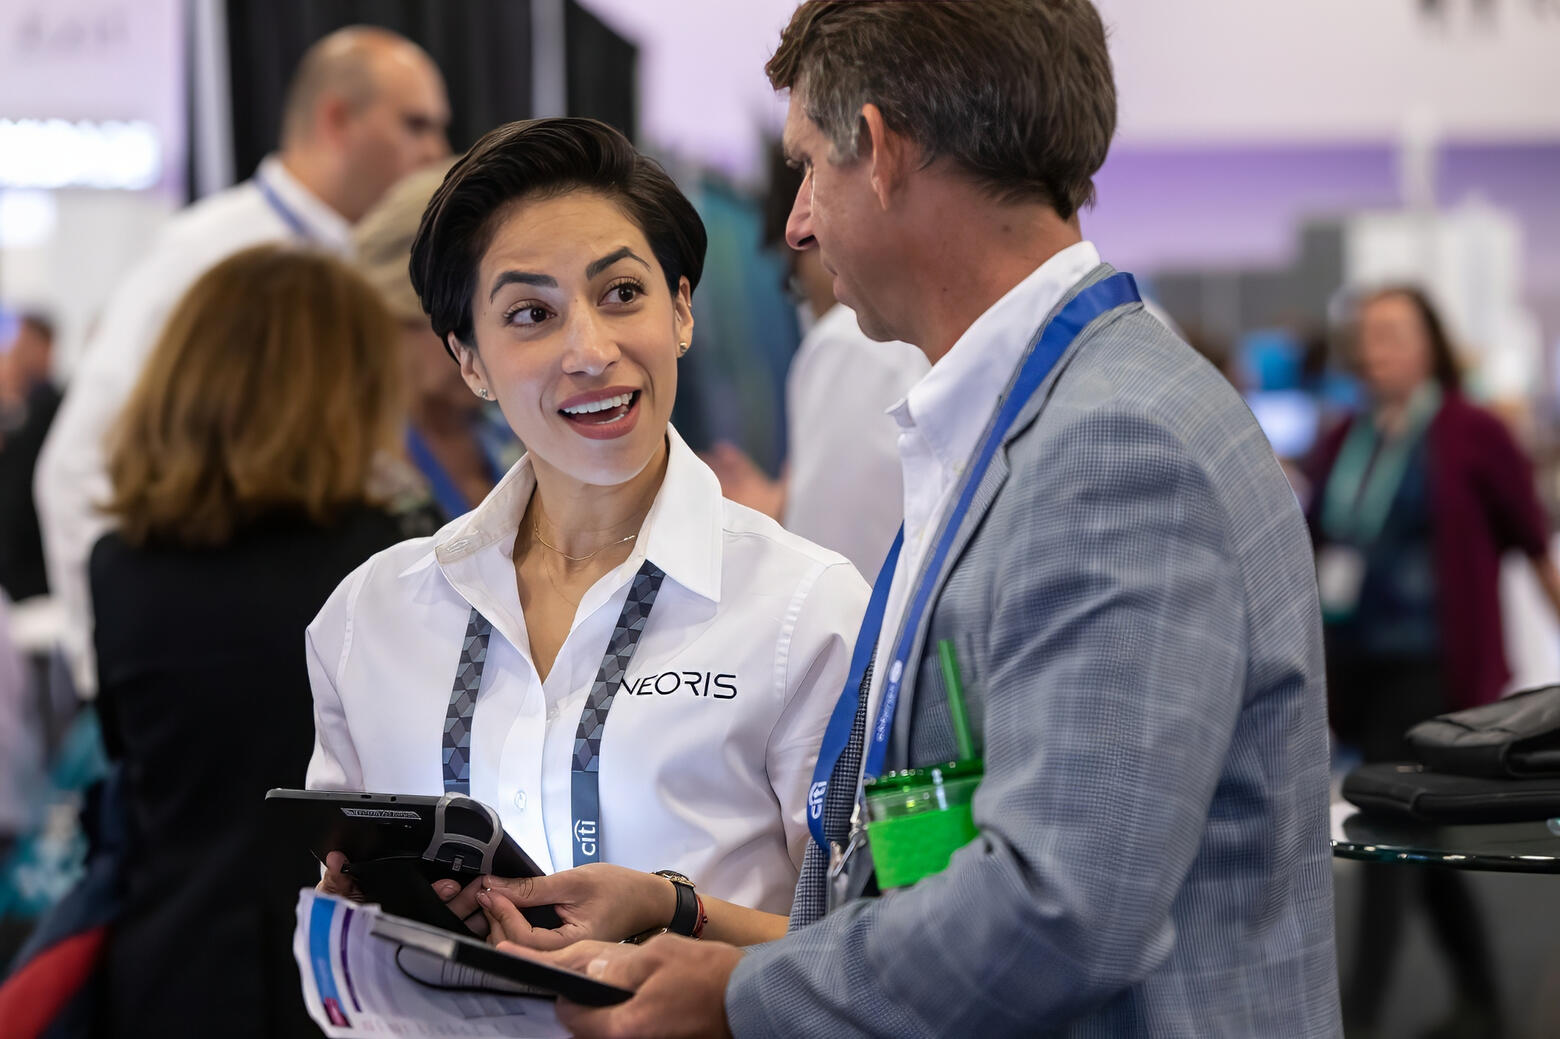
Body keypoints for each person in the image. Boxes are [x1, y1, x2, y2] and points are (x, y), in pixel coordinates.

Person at [483, 4, 1340, 1036]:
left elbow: (1058, 909)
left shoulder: (1112, 448)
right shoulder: (1043, 413)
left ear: (881, 152)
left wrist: (733, 998)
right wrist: (686, 915)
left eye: (810, 168)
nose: (798, 224)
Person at [305, 118, 869, 942]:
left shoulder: (805, 611)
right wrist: (364, 911)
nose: (590, 350)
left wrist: (680, 912)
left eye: (622, 294)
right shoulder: (372, 616)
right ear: (470, 360)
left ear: (682, 310)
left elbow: (869, 952)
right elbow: (334, 930)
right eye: (531, 313)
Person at [34, 25, 450, 695]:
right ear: (337, 119)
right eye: (416, 125)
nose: (436, 151)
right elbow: (78, 465)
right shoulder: (204, 253)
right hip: (223, 668)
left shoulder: (373, 262)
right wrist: (115, 671)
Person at [88, 245, 412, 1039]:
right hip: (340, 975)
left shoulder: (120, 565)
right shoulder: (384, 562)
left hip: (169, 962)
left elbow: (131, 754)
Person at [1307, 285, 1557, 1036]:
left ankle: (1355, 1018)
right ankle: (1484, 1000)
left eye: (1392, 332)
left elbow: (1533, 543)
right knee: (1423, 837)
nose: (1374, 346)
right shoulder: (1344, 436)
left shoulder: (1471, 431)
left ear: (1429, 345)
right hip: (1358, 666)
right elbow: (1319, 542)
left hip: (1435, 668)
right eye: (1366, 332)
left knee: (1387, 830)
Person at [702, 147, 927, 578]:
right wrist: (783, 504)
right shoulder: (912, 330)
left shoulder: (850, 342)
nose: (804, 303)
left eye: (793, 278)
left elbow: (832, 573)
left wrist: (762, 528)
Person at [352, 162, 521, 522]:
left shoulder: (519, 429)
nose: (491, 351)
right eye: (466, 324)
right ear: (395, 315)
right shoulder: (347, 464)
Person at [0, 313, 61, 603]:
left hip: (33, 564)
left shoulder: (49, 405)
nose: (16, 351)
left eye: (24, 343)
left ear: (45, 346)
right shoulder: (22, 406)